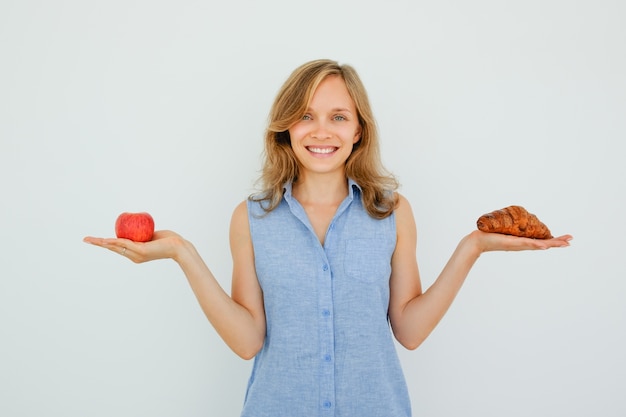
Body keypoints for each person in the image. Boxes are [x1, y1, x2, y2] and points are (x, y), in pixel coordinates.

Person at [84, 59, 572, 416]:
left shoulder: (393, 213)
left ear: (359, 130)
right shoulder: (250, 219)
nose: (322, 131)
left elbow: (410, 330)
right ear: (286, 128)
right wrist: (180, 253)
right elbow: (248, 341)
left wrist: (473, 248)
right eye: (306, 115)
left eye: (339, 116)